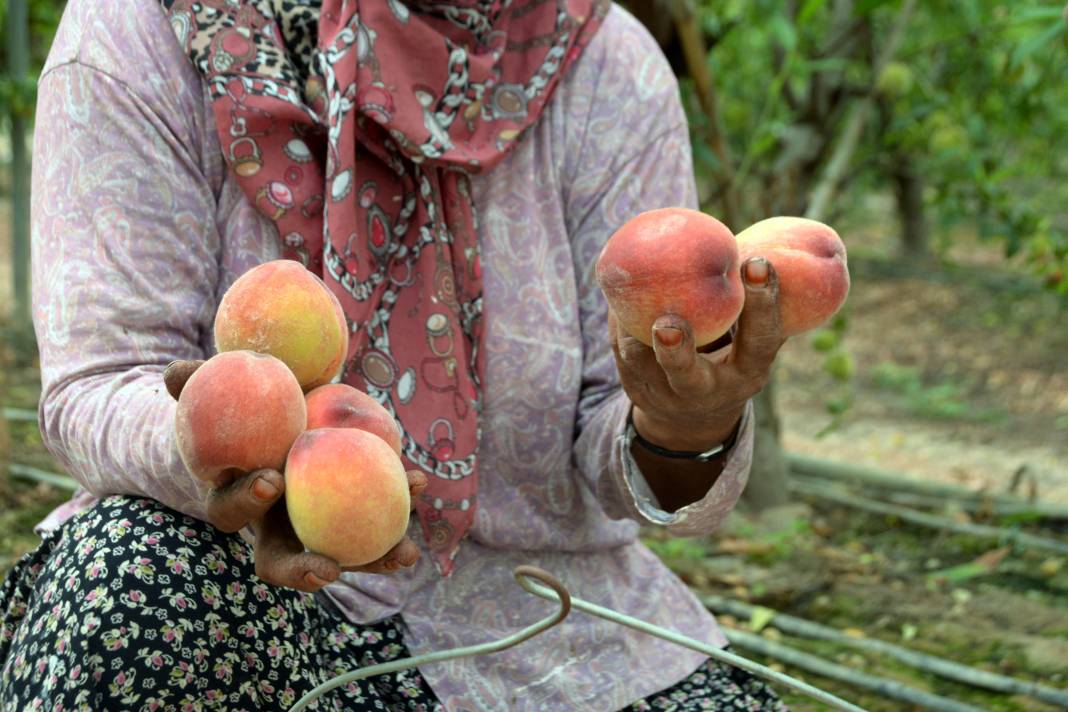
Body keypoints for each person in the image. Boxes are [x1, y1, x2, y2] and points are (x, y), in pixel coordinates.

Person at [0, 0, 789, 709]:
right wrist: (226, 448)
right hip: (239, 595)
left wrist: (689, 421)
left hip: (549, 632)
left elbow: (615, 433)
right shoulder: (142, 30)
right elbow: (100, 383)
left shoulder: (606, 68)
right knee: (137, 582)